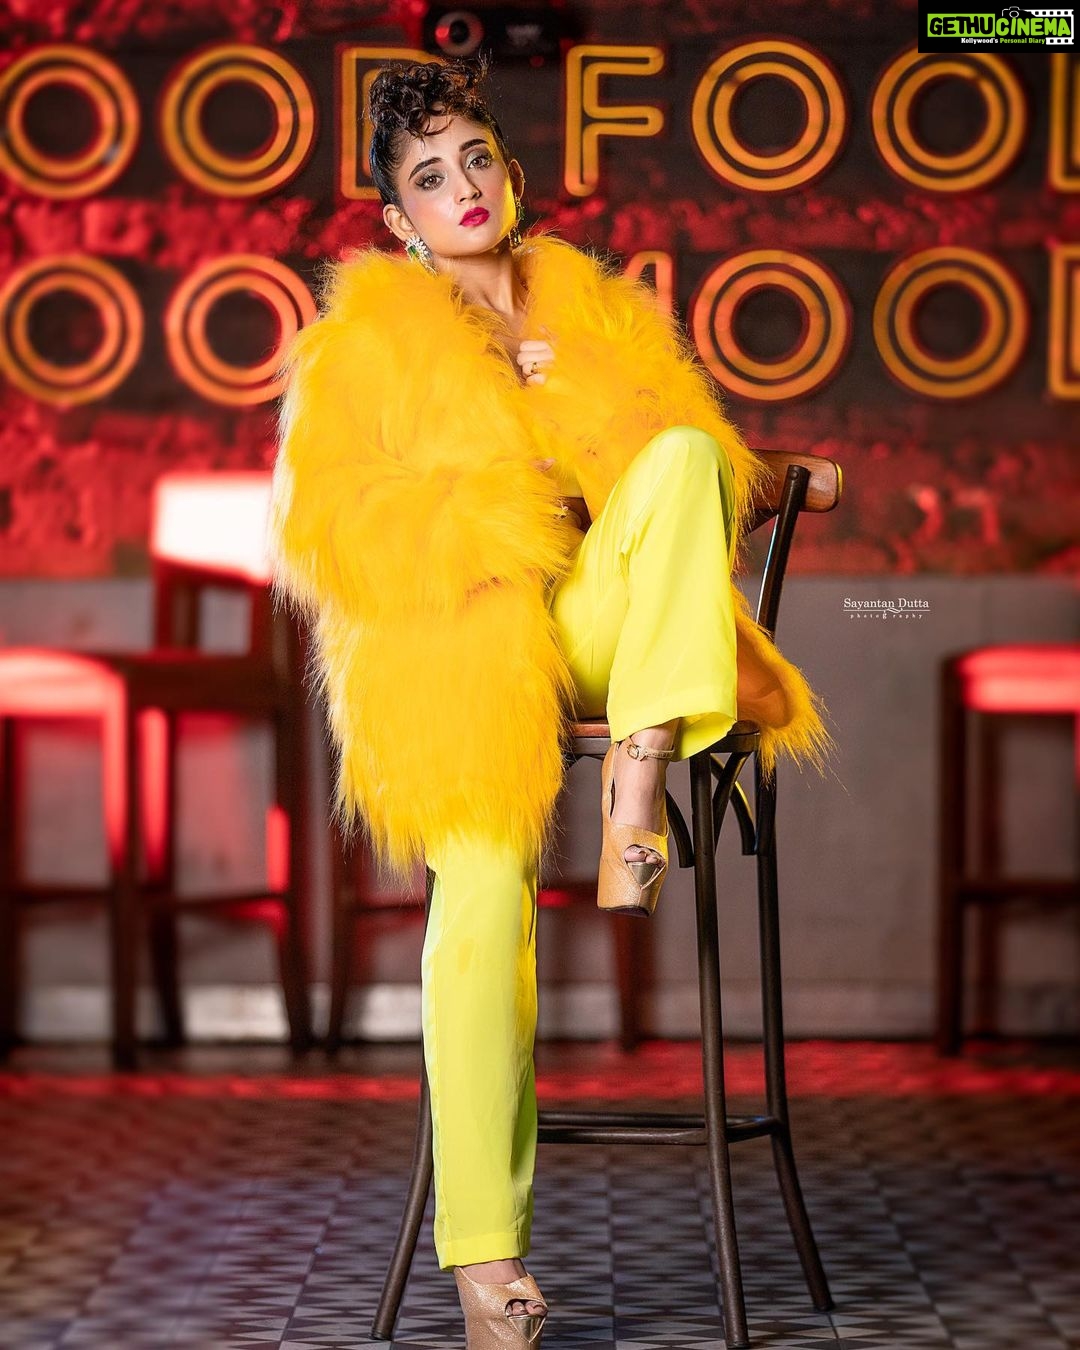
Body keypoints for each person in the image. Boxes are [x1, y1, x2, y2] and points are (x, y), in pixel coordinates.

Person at [268, 54, 832, 1350]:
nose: (463, 187)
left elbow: (694, 477)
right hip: (471, 650)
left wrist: (567, 402)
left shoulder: (594, 310)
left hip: (617, 640)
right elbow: (331, 527)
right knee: (476, 905)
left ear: (513, 172)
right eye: (430, 176)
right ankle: (486, 1263)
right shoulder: (366, 345)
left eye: (477, 158)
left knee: (680, 452)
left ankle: (638, 779)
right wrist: (505, 487)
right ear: (397, 218)